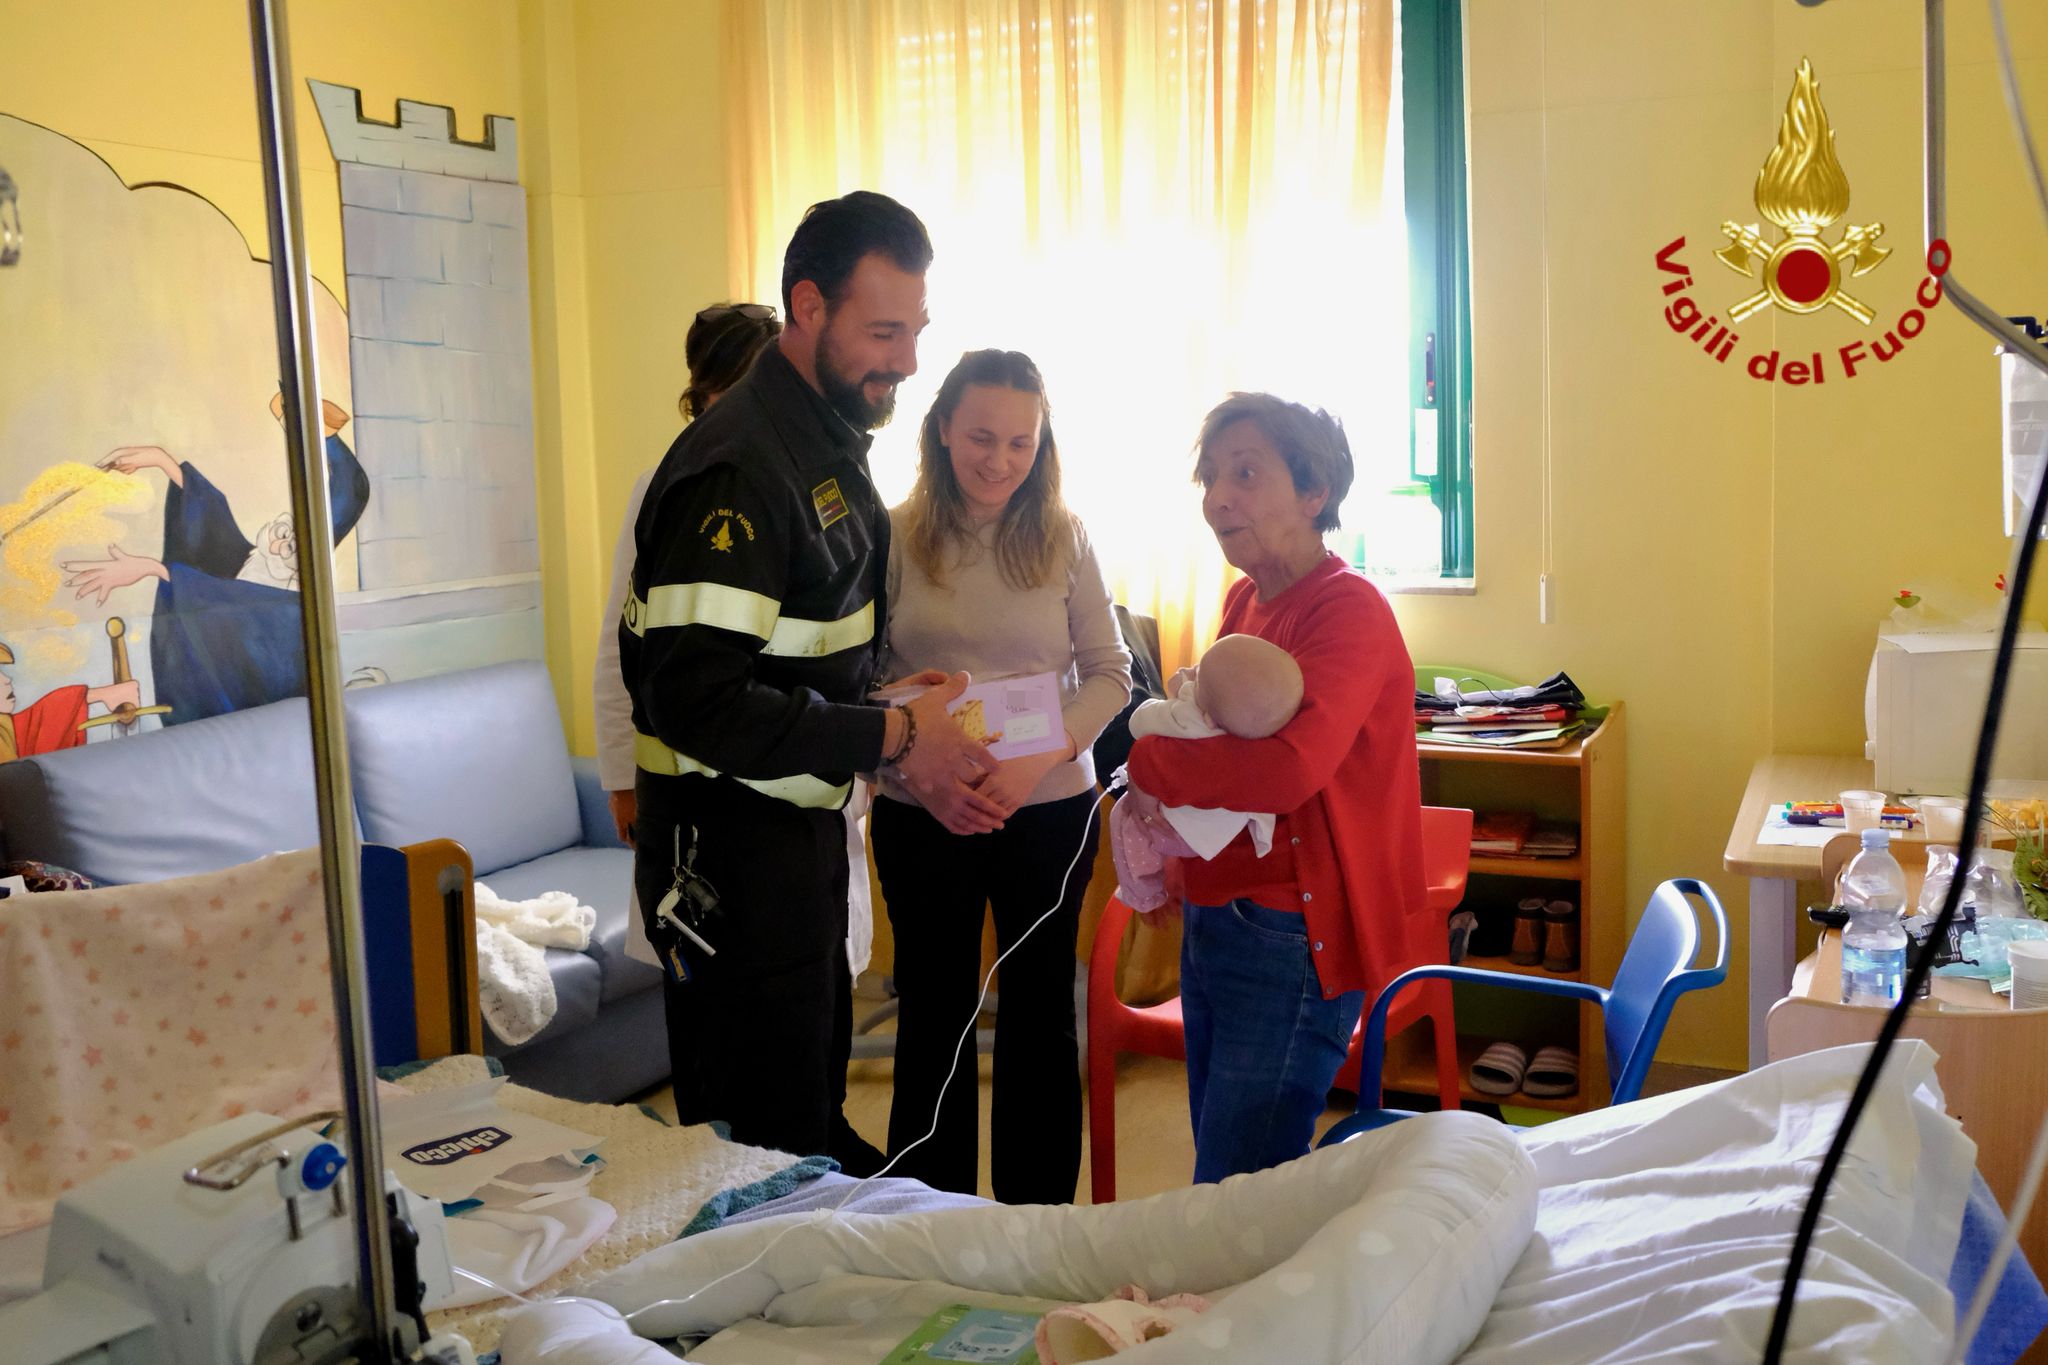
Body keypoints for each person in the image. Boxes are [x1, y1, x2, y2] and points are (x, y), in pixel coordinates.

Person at [621, 191, 997, 1165]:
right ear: (808, 308)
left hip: (795, 843)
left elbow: (799, 658)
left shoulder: (826, 445)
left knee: (807, 1113)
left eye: (914, 331)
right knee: (757, 1148)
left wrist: (890, 704)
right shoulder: (739, 471)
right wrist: (893, 739)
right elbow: (691, 698)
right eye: (882, 332)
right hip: (727, 860)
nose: (906, 361)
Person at [1124, 392, 1426, 1184]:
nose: (1218, 497)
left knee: (1239, 1187)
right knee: (1224, 1165)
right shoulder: (1246, 601)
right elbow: (1221, 743)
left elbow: (1289, 770)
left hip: (1294, 936)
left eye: (1246, 473)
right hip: (1220, 917)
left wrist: (1147, 765)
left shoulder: (1348, 610)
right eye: (1212, 477)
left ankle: (1241, 1309)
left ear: (1313, 492)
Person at [870, 349, 1131, 1202]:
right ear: (943, 428)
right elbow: (856, 682)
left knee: (1040, 1017)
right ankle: (927, 1217)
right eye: (982, 437)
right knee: (935, 1013)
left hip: (1047, 811)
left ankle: (1036, 1223)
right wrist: (916, 728)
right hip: (924, 810)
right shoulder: (893, 535)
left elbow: (1110, 675)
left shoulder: (1064, 534)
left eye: (1022, 443)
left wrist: (1035, 766)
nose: (1000, 461)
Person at [60, 394, 368, 724]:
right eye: (284, 530)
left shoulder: (288, 610)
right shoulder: (251, 563)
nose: (280, 543)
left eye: (291, 548)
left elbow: (228, 601)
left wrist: (153, 569)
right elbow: (214, 536)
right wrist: (162, 461)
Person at [1109, 633, 1303, 912]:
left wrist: (1183, 691)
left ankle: (1143, 894)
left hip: (1175, 830)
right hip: (1225, 836)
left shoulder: (1194, 718)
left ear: (1208, 716)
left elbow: (1139, 723)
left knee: (1125, 818)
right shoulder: (1258, 731)